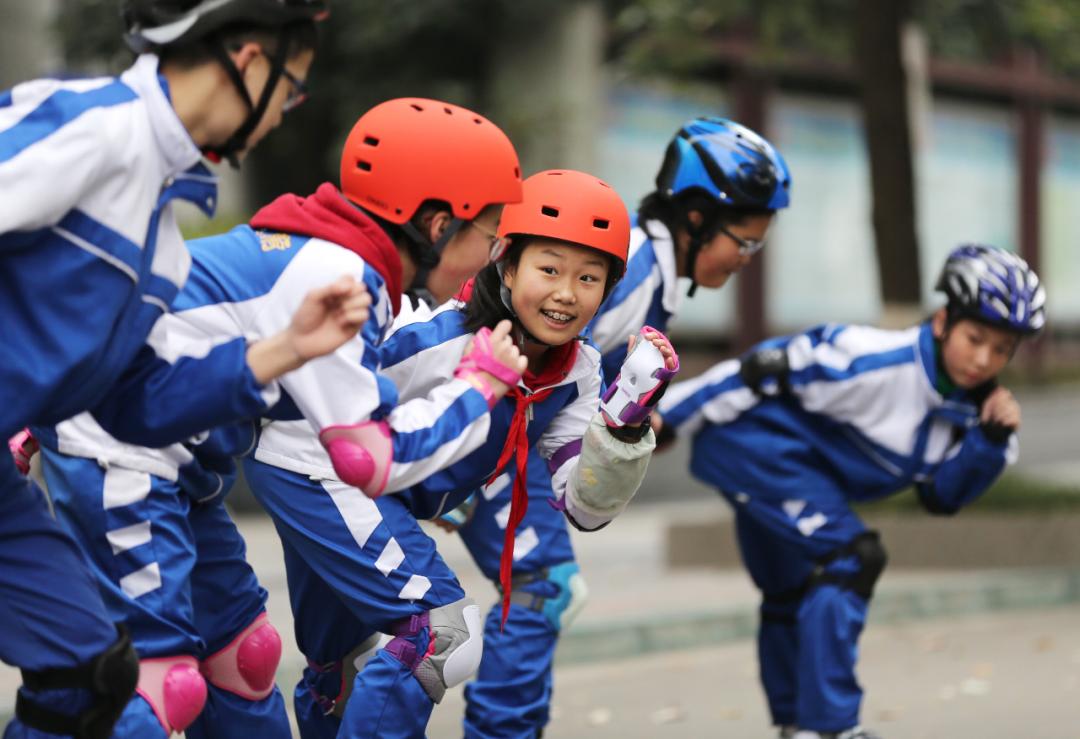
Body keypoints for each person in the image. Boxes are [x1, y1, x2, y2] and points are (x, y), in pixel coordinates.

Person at [0, 1, 375, 736]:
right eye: (292, 90)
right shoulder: (96, 124)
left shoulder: (162, 237)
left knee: (91, 678)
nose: (285, 115)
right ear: (250, 59)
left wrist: (287, 348)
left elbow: (129, 404)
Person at [446, 116, 792, 738]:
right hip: (489, 442)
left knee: (547, 590)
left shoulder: (648, 268)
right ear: (695, 220)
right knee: (544, 587)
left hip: (515, 443)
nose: (745, 259)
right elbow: (511, 342)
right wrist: (463, 460)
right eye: (743, 242)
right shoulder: (628, 272)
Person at [654, 244, 1045, 739]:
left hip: (800, 475)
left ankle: (797, 723)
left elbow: (940, 499)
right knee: (853, 559)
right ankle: (831, 728)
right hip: (752, 449)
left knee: (792, 592)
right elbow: (757, 370)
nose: (984, 359)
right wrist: (667, 418)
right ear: (944, 321)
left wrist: (988, 443)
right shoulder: (869, 358)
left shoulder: (981, 416)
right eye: (975, 338)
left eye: (1002, 349)